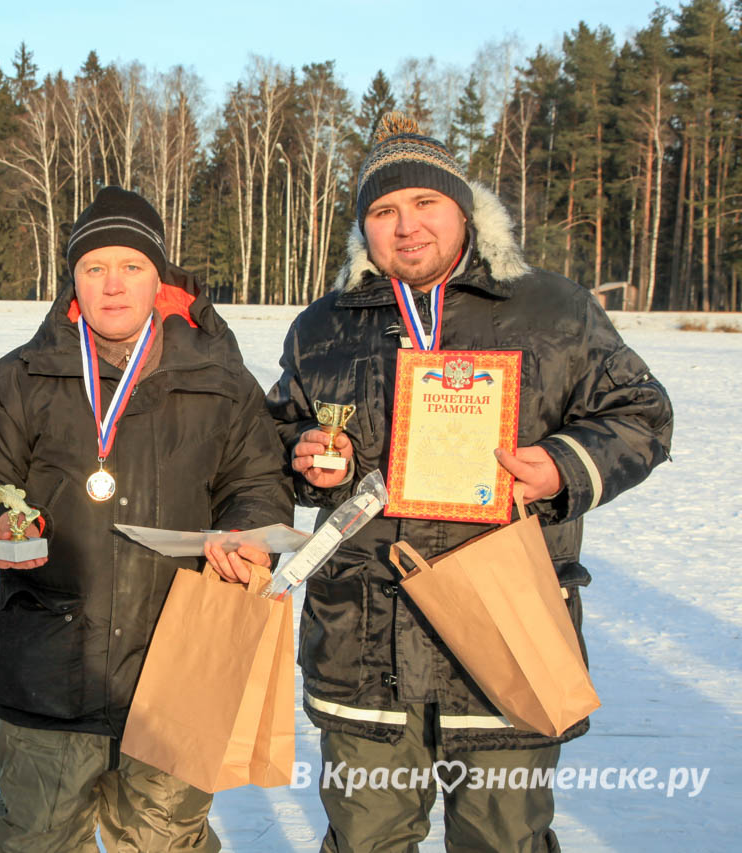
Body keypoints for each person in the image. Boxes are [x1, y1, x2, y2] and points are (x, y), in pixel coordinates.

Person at [266, 113, 673, 852]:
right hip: (363, 643)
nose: (407, 226)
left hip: (506, 633)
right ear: (365, 230)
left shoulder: (552, 310)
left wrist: (559, 466)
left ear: (467, 212)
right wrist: (303, 453)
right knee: (365, 840)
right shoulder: (324, 327)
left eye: (426, 204)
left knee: (503, 840)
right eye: (384, 211)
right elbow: (276, 431)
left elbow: (642, 414)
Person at [0, 186, 294, 853]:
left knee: (165, 842)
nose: (112, 285)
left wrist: (248, 533)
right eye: (94, 268)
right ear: (72, 280)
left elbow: (258, 481)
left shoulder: (220, 380)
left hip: (177, 666)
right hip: (46, 675)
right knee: (34, 841)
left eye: (131, 266)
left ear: (158, 278)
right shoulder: (20, 379)